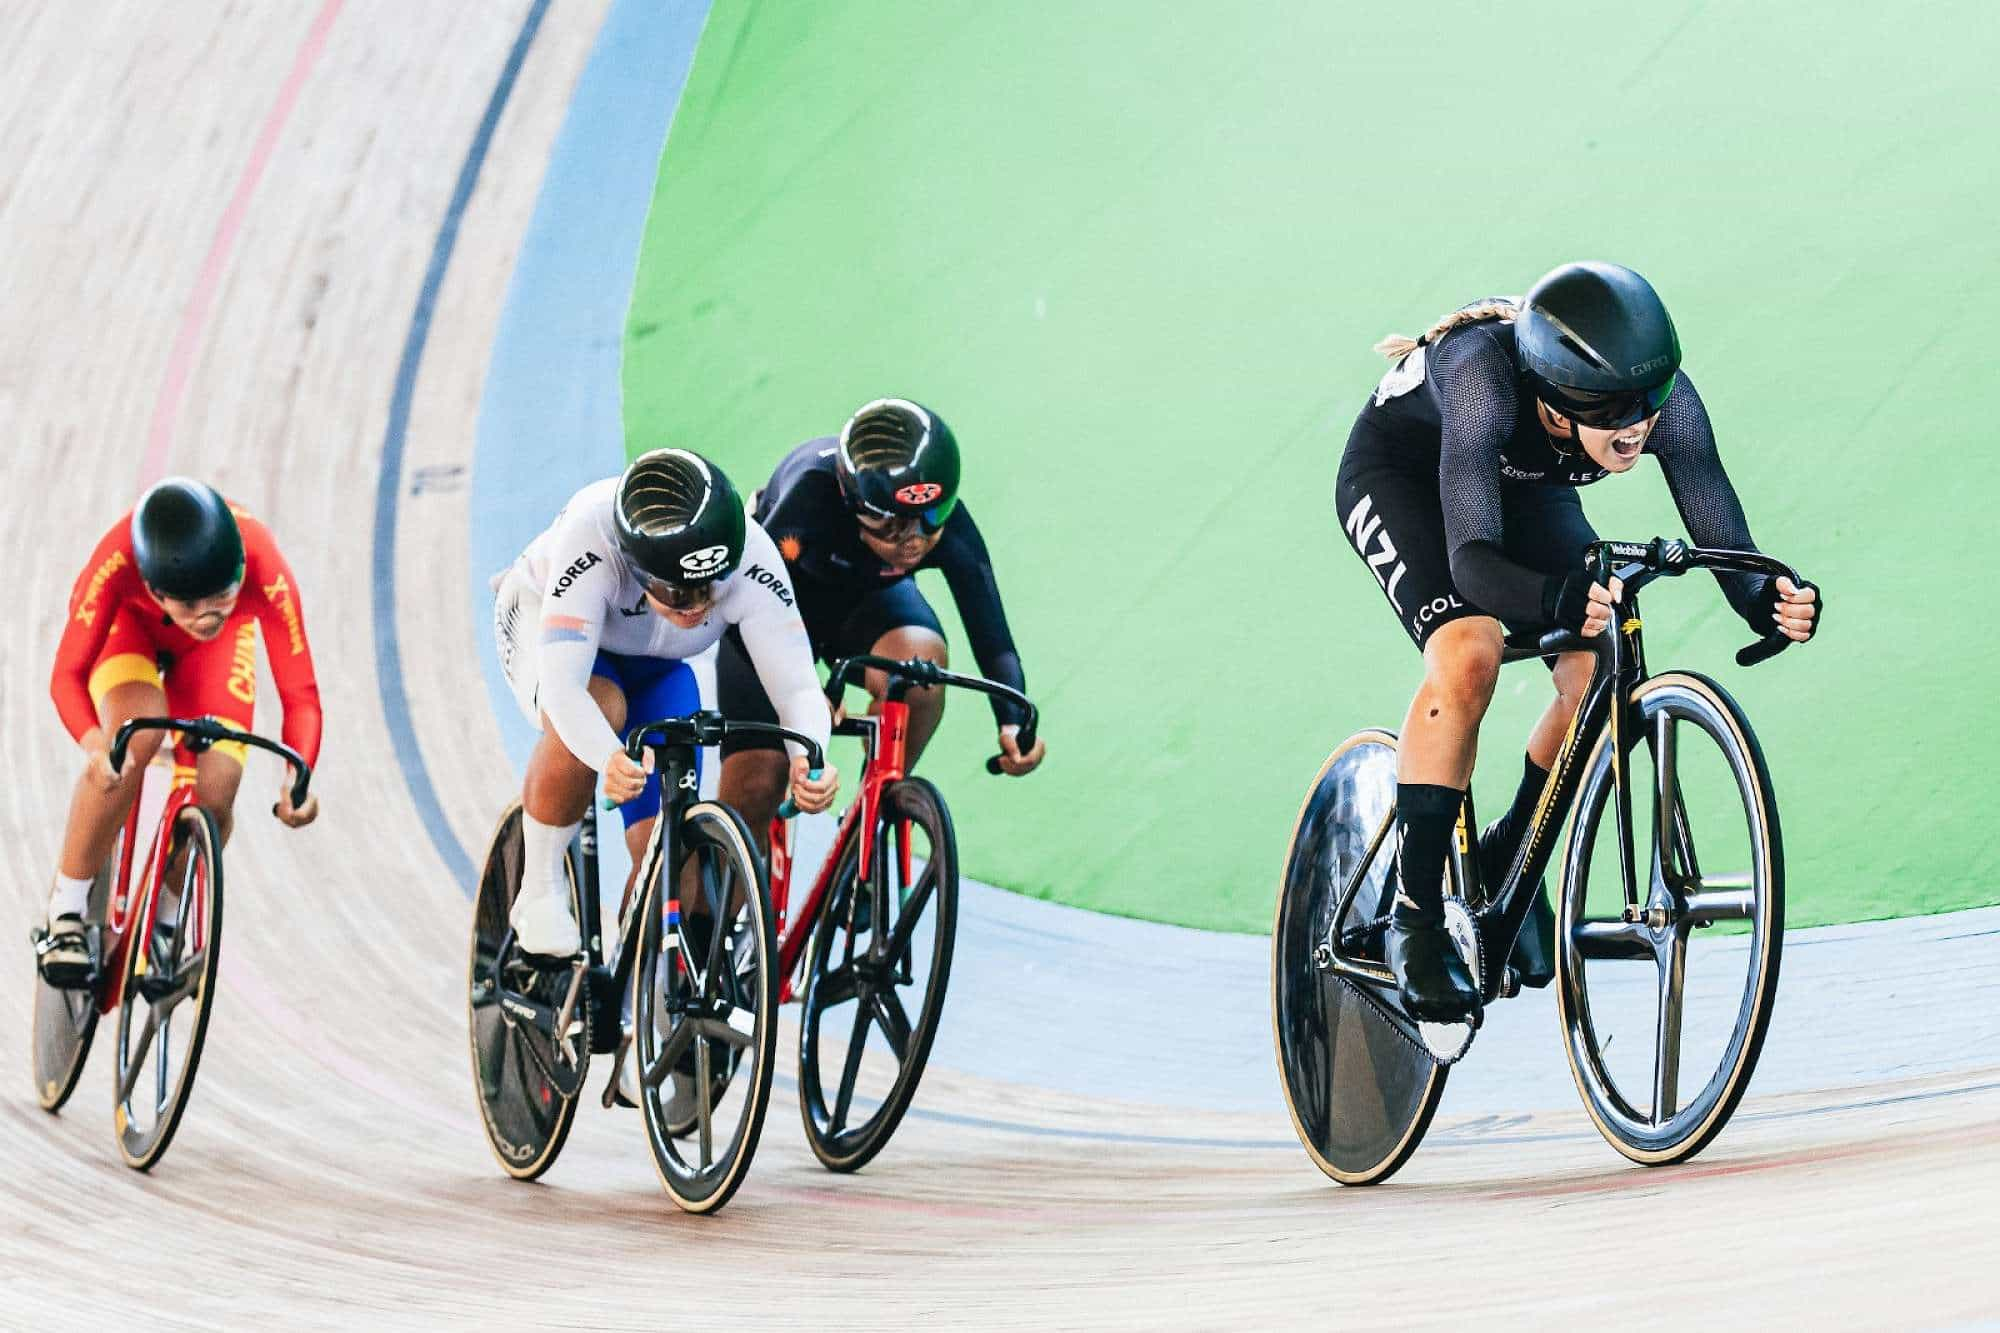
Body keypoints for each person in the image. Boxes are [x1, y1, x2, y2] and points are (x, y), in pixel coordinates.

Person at [1336, 262, 1820, 1021]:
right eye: (1611, 408)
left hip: (1521, 481)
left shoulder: (1658, 404)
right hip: (1404, 474)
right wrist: (1550, 597)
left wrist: (1766, 599)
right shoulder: (1481, 379)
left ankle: (1504, 855)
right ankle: (1413, 917)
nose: (1638, 424)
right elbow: (1471, 561)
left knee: (1599, 667)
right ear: (1557, 407)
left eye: (1650, 399)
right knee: (1470, 654)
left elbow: (1715, 514)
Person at [492, 447, 837, 960]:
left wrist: (811, 754)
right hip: (551, 630)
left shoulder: (752, 554)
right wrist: (606, 757)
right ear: (635, 568)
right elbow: (565, 689)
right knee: (602, 707)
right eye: (677, 593)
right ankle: (538, 888)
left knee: (673, 860)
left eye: (710, 589)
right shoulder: (592, 534)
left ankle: (635, 994)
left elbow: (798, 688)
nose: (697, 605)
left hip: (659, 669)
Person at [714, 399, 1043, 847]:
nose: (914, 542)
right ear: (853, 506)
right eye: (891, 527)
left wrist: (1012, 721)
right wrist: (803, 690)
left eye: (932, 521)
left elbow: (992, 636)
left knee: (920, 672)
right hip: (777, 612)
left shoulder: (949, 528)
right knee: (758, 782)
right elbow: (748, 609)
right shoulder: (806, 499)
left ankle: (866, 827)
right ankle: (703, 911)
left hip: (865, 608)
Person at [38, 479, 323, 984]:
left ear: (240, 572)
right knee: (135, 737)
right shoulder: (117, 561)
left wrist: (297, 780)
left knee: (217, 790)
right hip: (129, 630)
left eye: (222, 595)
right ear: (156, 590)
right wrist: (95, 744)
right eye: (190, 605)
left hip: (210, 661)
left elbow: (299, 694)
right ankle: (66, 911)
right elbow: (66, 677)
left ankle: (166, 923)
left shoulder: (264, 566)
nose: (207, 615)